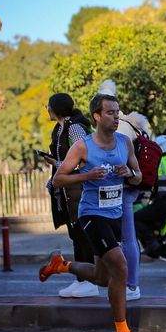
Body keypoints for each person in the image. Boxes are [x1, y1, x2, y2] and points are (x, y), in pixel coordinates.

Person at [40, 93, 144, 332]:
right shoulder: (83, 146)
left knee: (101, 277)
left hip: (115, 214)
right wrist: (86, 176)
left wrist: (129, 173)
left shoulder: (124, 143)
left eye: (118, 112)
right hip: (91, 214)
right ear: (97, 116)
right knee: (120, 267)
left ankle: (61, 265)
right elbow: (59, 179)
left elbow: (139, 177)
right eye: (110, 112)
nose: (116, 116)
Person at [98, 79, 151, 301]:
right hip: (128, 187)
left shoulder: (119, 128)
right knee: (123, 238)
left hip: (122, 188)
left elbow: (119, 162)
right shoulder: (133, 122)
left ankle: (131, 285)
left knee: (127, 238)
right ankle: (124, 283)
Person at [44, 93, 98, 298]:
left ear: (56, 108)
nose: (47, 109)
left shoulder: (74, 127)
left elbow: (82, 158)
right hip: (67, 190)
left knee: (82, 235)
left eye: (48, 106)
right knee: (75, 235)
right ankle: (81, 279)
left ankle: (90, 281)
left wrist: (57, 164)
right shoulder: (59, 128)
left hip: (79, 188)